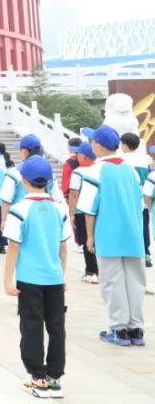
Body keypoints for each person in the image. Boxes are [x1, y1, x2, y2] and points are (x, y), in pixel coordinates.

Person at [2, 155, 70, 399]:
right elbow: (63, 248)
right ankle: (55, 378)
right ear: (49, 181)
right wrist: (61, 274)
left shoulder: (19, 209)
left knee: (31, 327)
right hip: (54, 278)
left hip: (30, 279)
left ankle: (38, 378)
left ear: (24, 180)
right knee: (57, 328)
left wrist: (7, 279)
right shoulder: (59, 208)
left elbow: (14, 246)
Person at [76, 124, 145, 346]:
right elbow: (140, 203)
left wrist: (89, 237)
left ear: (98, 145)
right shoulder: (130, 170)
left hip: (108, 234)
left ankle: (119, 329)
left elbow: (89, 209)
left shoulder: (94, 171)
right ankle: (136, 329)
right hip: (133, 234)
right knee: (135, 282)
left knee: (112, 282)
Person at [67, 141, 100, 283]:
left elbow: (73, 194)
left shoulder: (78, 172)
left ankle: (91, 272)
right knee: (98, 240)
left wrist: (71, 213)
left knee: (88, 240)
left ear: (83, 155)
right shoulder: (99, 170)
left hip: (82, 211)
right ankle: (101, 270)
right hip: (98, 211)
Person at [120, 133, 152, 267]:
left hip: (127, 201)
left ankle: (129, 255)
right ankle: (146, 254)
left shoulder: (122, 161)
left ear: (124, 145)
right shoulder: (144, 161)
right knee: (144, 227)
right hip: (143, 201)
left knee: (127, 227)